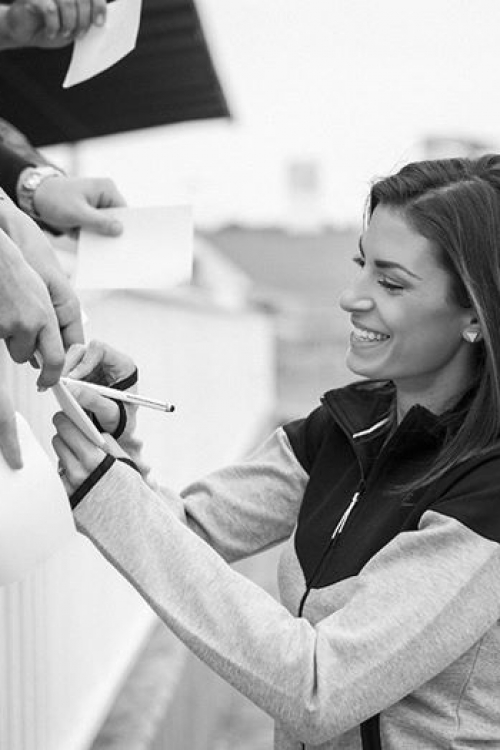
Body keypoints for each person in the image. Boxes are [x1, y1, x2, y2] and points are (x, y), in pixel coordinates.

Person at [52, 154, 500, 749]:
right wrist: (112, 436)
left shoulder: (487, 490)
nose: (351, 297)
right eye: (361, 265)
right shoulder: (343, 428)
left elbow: (320, 687)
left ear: (475, 314)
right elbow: (187, 531)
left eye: (390, 283)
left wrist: (110, 493)